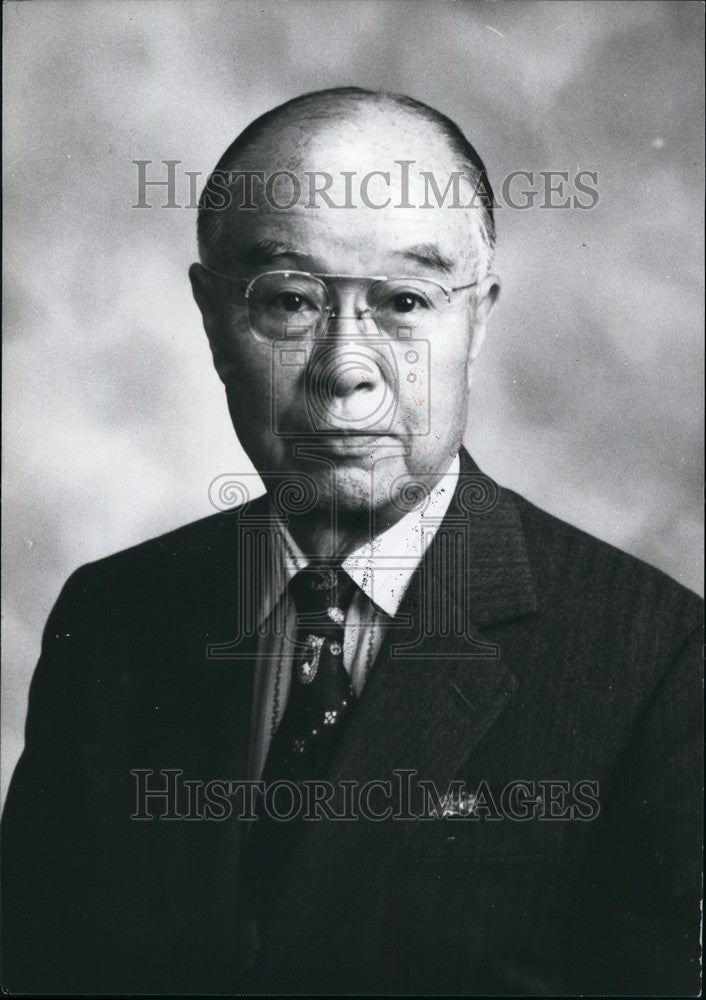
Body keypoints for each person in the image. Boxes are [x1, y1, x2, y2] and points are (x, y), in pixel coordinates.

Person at [1, 87, 702, 996]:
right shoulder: (113, 614)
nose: (345, 369)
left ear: (477, 319)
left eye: (406, 300)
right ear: (213, 319)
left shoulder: (660, 660)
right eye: (289, 301)